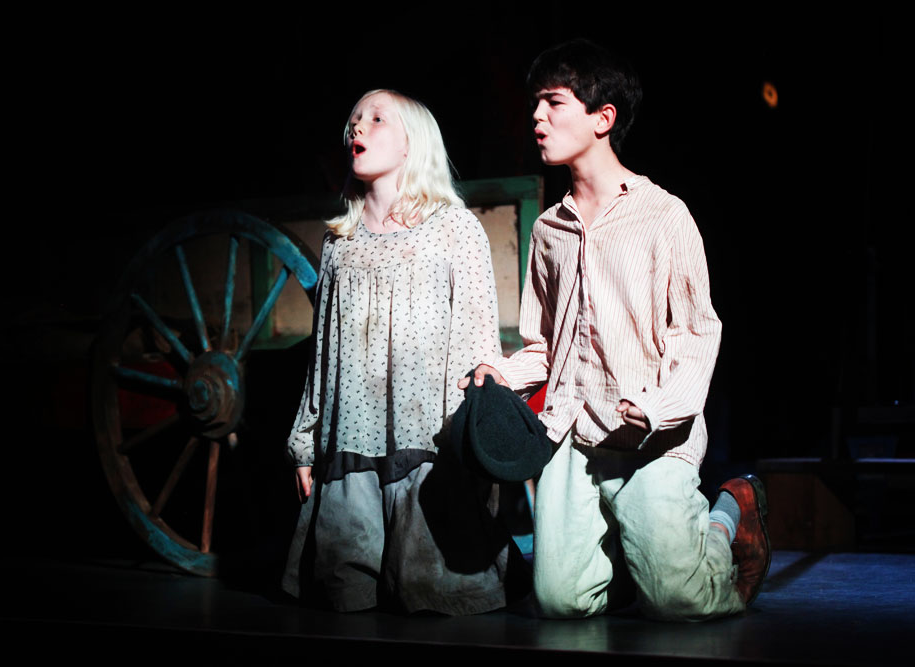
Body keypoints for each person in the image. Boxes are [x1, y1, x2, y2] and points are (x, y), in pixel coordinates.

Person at [460, 39, 770, 621]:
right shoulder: (549, 230)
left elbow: (697, 332)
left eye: (554, 102)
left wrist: (659, 407)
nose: (537, 116)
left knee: (680, 599)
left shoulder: (664, 215)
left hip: (654, 439)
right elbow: (545, 345)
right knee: (560, 602)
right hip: (577, 435)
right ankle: (631, 559)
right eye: (535, 104)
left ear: (603, 118)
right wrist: (499, 372)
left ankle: (729, 516)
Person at [282, 89, 519, 615]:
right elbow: (322, 357)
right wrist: (305, 443)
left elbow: (479, 342)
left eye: (376, 119)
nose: (357, 128)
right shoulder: (339, 243)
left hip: (427, 443)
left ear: (412, 142)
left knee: (433, 602)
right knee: (345, 602)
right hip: (351, 444)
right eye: (353, 119)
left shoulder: (453, 228)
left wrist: (474, 437)